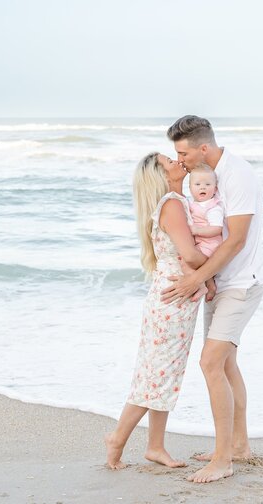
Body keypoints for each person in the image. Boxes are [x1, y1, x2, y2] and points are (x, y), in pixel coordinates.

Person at [162, 116, 263, 483]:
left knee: (210, 363)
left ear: (202, 147)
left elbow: (235, 239)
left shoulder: (237, 176)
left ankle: (223, 460)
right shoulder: (210, 175)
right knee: (224, 364)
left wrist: (196, 278)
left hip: (240, 284)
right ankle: (237, 445)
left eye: (183, 153)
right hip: (221, 283)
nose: (181, 161)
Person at [105, 152, 208, 470]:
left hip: (171, 298)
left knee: (164, 375)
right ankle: (117, 439)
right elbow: (190, 256)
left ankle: (155, 447)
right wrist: (221, 265)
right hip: (173, 300)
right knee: (155, 376)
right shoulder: (172, 204)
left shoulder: (173, 202)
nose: (178, 163)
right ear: (161, 176)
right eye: (169, 163)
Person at [188, 163, 224, 257]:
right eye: (197, 184)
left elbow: (217, 228)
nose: (202, 187)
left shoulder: (212, 208)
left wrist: (197, 231)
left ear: (215, 189)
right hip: (199, 243)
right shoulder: (191, 204)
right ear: (190, 188)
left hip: (210, 246)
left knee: (188, 263)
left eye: (208, 184)